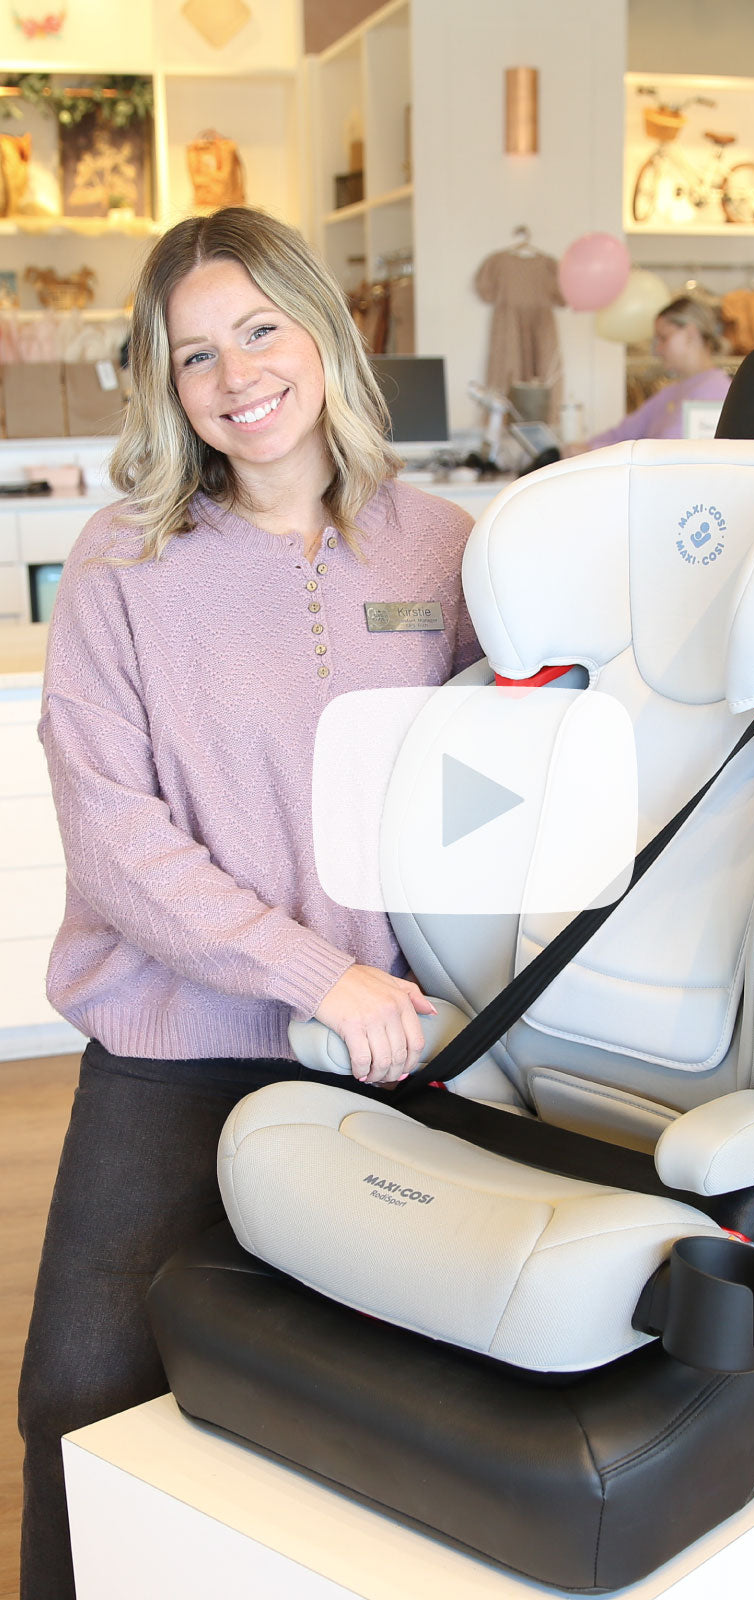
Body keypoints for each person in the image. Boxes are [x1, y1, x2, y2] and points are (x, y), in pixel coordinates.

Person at [17, 206, 479, 1600]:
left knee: (354, 1408)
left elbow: (516, 775)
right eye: (195, 354)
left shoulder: (441, 547)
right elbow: (114, 842)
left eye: (259, 330)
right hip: (179, 1042)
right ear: (167, 387)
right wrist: (310, 972)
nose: (237, 376)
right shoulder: (122, 562)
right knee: (80, 1388)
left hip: (392, 1048)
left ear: (322, 333)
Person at [569, 296, 731, 452]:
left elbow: (669, 452)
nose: (658, 349)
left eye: (663, 338)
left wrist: (590, 450)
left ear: (690, 334)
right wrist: (586, 450)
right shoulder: (671, 393)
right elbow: (623, 433)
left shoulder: (717, 391)